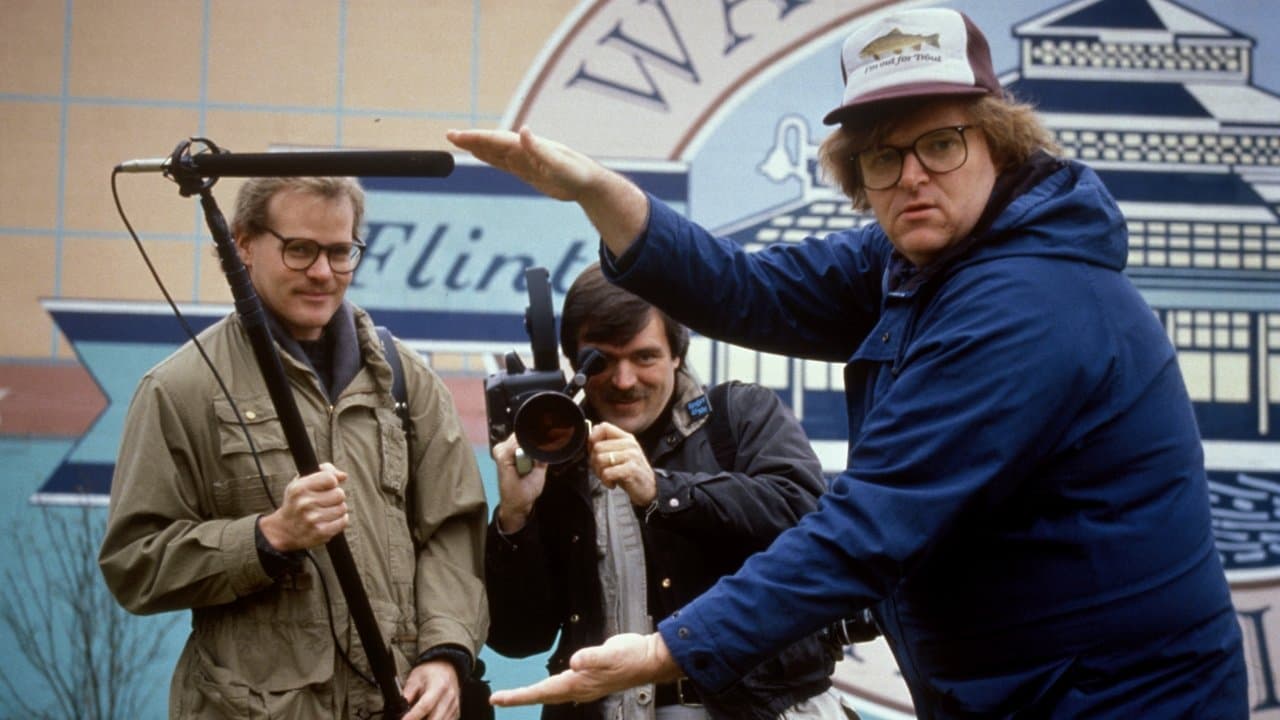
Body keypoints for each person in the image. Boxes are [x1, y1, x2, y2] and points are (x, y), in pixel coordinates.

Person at [448, 6, 1247, 717]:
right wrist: (595, 190)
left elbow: (867, 529)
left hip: (1110, 695)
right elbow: (745, 287)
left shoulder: (1025, 304)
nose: (912, 177)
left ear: (999, 144)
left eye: (941, 143)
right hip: (1020, 686)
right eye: (882, 156)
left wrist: (668, 651)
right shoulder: (912, 260)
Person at [98, 176, 489, 720]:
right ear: (242, 244)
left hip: (394, 701)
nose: (323, 272)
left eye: (340, 252)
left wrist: (444, 653)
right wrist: (267, 537)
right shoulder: (181, 388)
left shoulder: (405, 380)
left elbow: (452, 532)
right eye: (300, 250)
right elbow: (134, 563)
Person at [485, 263, 852, 720]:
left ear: (677, 354)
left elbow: (807, 519)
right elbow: (518, 637)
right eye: (600, 361)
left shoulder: (738, 414)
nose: (624, 381)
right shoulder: (554, 457)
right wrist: (515, 518)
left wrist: (663, 490)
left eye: (644, 357)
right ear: (573, 362)